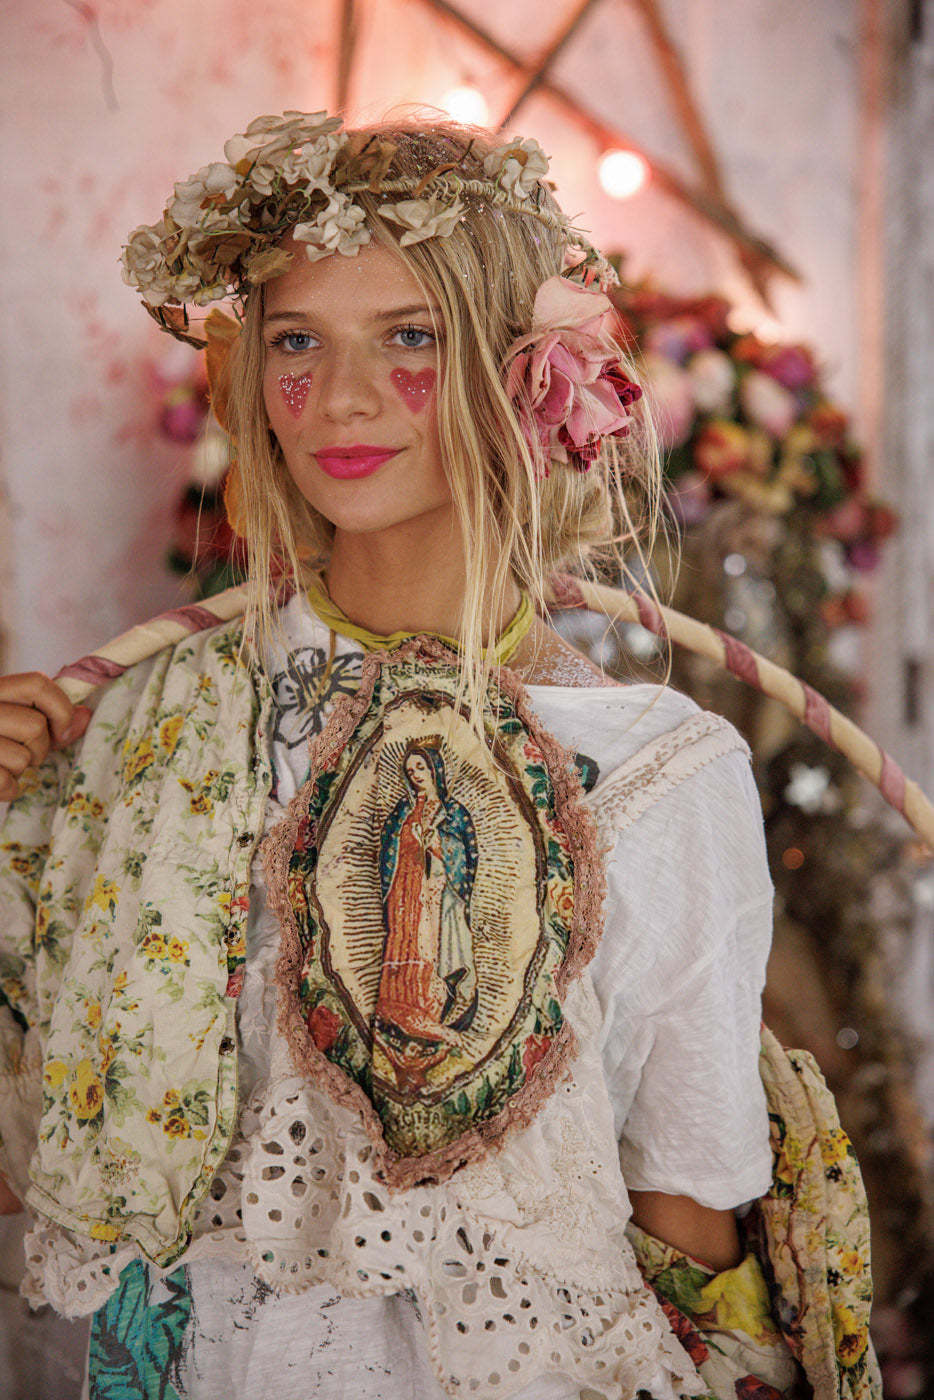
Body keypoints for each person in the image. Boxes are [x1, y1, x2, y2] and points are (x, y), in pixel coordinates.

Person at [0, 111, 875, 1399]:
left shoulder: (656, 773)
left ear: (526, 374)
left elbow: (688, 1223)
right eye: (297, 341)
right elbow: (36, 1148)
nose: (341, 398)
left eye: (410, 336)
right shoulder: (141, 731)